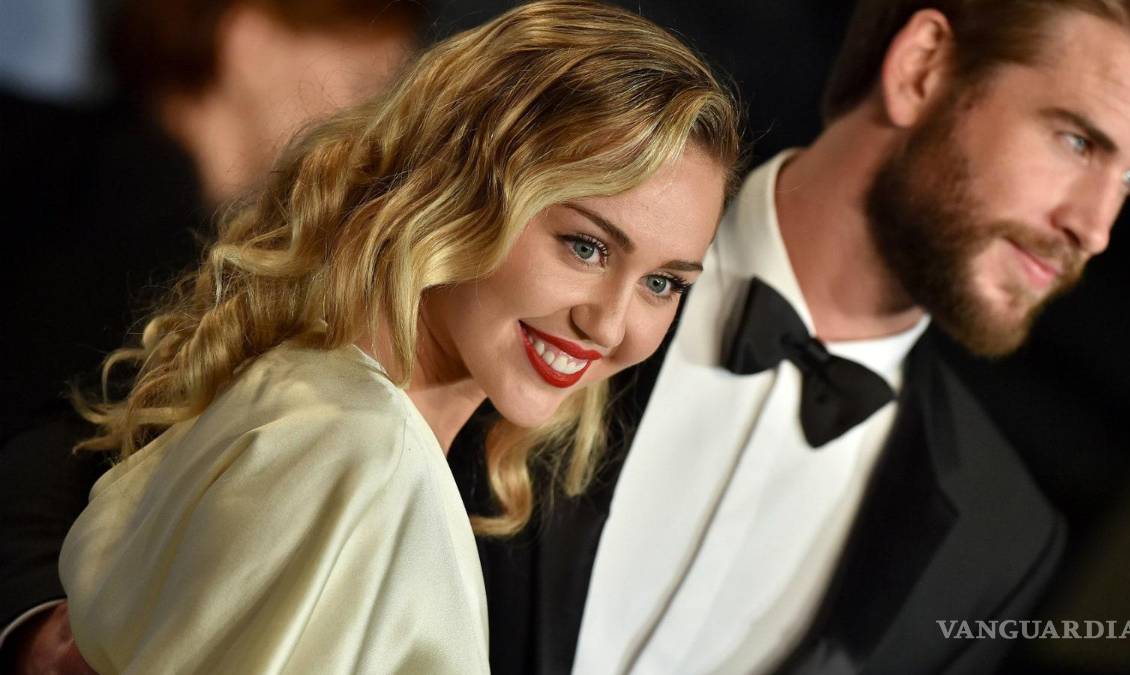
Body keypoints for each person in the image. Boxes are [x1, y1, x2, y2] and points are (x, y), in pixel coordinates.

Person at [456, 1, 1130, 673]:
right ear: (922, 67)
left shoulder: (1000, 546)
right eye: (1077, 141)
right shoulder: (546, 243)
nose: (1095, 227)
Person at [52, 1, 741, 673]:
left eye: (662, 283)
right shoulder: (364, 453)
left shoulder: (318, 400)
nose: (610, 324)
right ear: (462, 189)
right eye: (586, 247)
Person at [0, 0, 420, 437]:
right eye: (362, 83)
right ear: (251, 44)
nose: (373, 129)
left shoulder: (66, 165)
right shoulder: (139, 234)